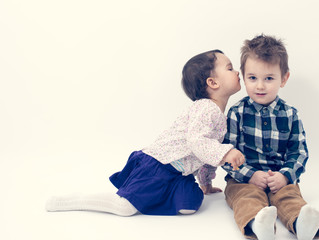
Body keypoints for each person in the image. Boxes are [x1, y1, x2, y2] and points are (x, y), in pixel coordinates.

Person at [46, 49, 245, 216]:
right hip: (158, 165)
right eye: (230, 68)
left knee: (189, 205)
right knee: (125, 208)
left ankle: (156, 195)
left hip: (179, 174)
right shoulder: (206, 108)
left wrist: (206, 183)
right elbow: (197, 142)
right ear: (213, 83)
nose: (237, 72)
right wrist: (226, 153)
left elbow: (206, 155)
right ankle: (72, 201)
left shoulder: (219, 116)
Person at [220, 35, 319, 239]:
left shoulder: (290, 114)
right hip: (244, 180)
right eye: (253, 78)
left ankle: (301, 224)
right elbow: (226, 153)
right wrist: (250, 174)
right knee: (246, 198)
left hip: (279, 177)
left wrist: (285, 175)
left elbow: (299, 151)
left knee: (290, 196)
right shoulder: (237, 113)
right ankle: (259, 224)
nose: (260, 86)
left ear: (283, 79)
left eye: (269, 78)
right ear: (243, 77)